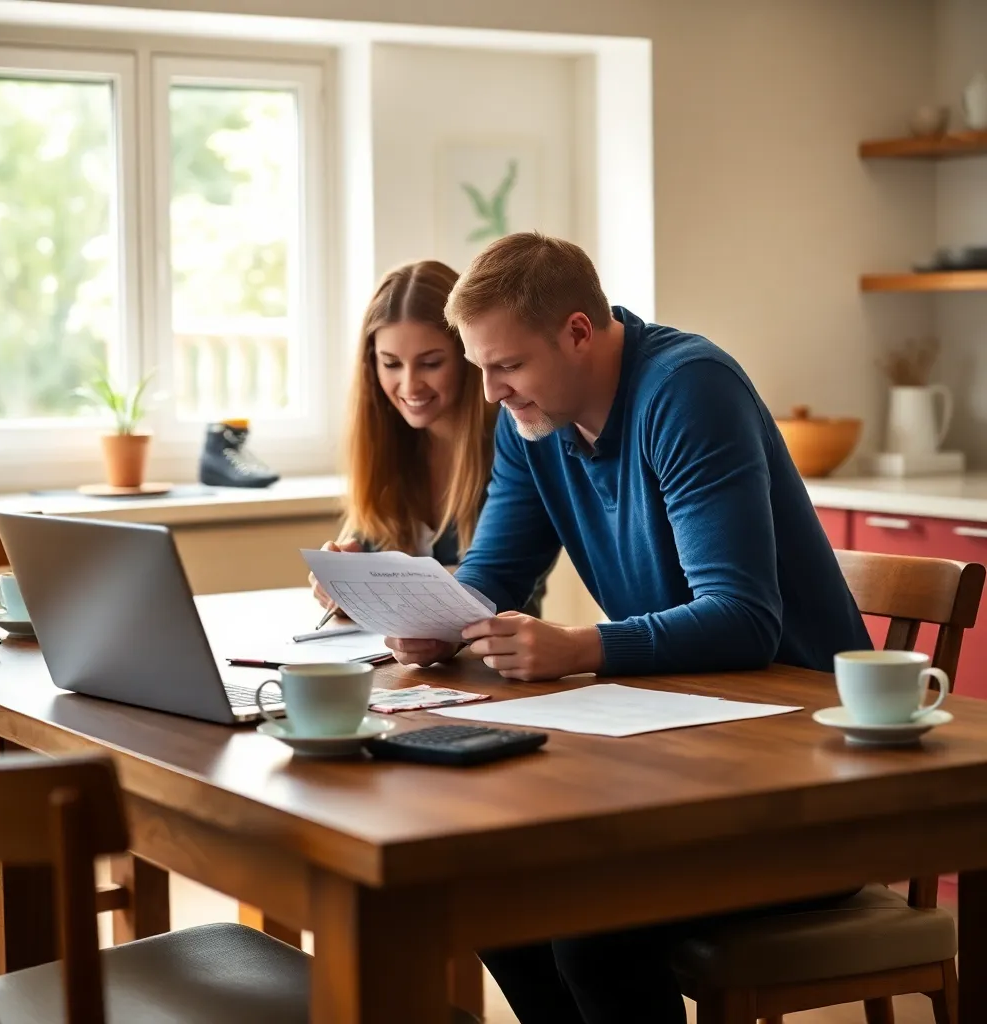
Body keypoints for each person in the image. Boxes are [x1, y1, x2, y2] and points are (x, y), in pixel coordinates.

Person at [384, 232, 871, 1024]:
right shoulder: (532, 426)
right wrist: (432, 621)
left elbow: (744, 619)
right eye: (480, 369)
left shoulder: (688, 390)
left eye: (506, 366)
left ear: (578, 331)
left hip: (806, 782)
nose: (491, 393)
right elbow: (493, 575)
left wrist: (582, 645)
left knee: (587, 928)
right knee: (493, 895)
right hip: (682, 758)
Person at [309, 259, 546, 616]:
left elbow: (508, 584)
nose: (409, 386)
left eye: (431, 363)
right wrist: (342, 587)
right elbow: (364, 571)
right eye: (391, 364)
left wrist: (388, 592)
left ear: (468, 357)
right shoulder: (387, 446)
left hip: (496, 661)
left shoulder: (515, 440)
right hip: (402, 664)